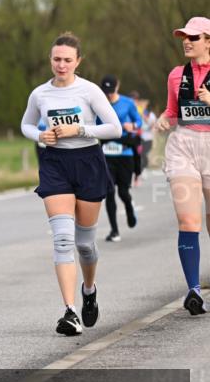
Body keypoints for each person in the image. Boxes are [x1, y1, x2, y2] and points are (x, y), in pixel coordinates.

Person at [20, 32, 121, 335]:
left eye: (67, 60)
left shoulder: (89, 91)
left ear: (78, 61)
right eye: (56, 59)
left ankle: (88, 290)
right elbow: (26, 123)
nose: (61, 65)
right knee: (62, 239)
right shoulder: (40, 94)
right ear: (50, 60)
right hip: (55, 165)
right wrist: (41, 135)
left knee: (84, 245)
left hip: (88, 163)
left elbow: (114, 128)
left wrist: (81, 129)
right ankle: (70, 311)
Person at [156, 16, 210, 316]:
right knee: (189, 222)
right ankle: (194, 291)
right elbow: (173, 110)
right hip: (184, 146)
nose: (187, 42)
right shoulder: (177, 75)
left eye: (193, 37)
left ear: (209, 41)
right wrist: (165, 119)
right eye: (183, 37)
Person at [97, 75, 142, 242]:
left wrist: (133, 126)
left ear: (118, 87)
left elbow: (138, 121)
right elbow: (93, 122)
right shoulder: (99, 103)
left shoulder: (128, 103)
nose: (108, 95)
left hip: (125, 154)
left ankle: (129, 207)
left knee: (123, 192)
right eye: (105, 92)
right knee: (109, 192)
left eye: (111, 91)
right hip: (107, 154)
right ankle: (114, 230)